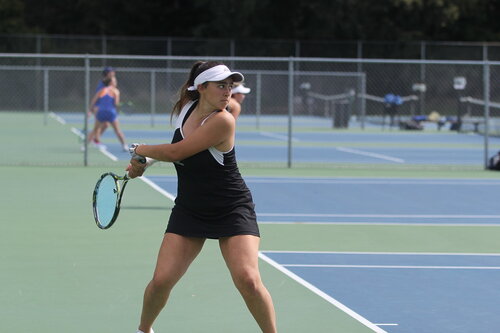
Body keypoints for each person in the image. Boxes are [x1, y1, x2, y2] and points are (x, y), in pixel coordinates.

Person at [126, 61, 277, 333]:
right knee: (161, 281)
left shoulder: (223, 120)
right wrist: (144, 162)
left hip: (232, 208)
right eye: (221, 85)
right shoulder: (186, 109)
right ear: (202, 88)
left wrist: (138, 149)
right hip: (190, 209)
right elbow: (177, 146)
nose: (228, 91)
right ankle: (144, 330)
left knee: (249, 280)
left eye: (230, 86)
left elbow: (176, 153)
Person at [87, 76, 128, 151]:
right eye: (114, 81)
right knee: (117, 130)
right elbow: (116, 103)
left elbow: (93, 101)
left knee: (95, 130)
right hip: (111, 113)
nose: (116, 83)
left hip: (101, 112)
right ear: (111, 82)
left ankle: (85, 147)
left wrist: (90, 110)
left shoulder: (101, 90)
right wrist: (119, 105)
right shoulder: (116, 91)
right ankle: (124, 145)